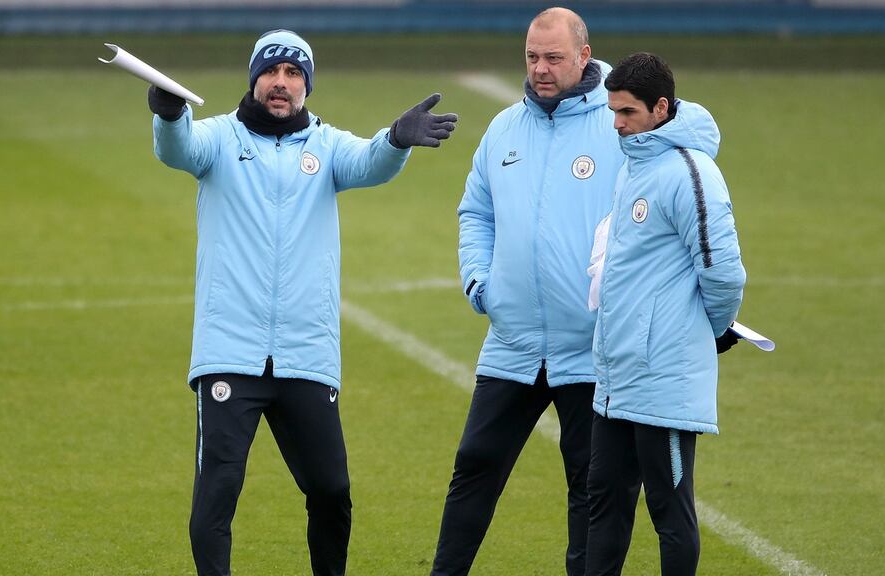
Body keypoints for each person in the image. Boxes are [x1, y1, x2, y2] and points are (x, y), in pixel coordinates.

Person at [148, 29, 458, 576]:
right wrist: (170, 115)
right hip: (230, 352)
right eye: (273, 72)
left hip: (305, 354)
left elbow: (369, 163)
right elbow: (178, 150)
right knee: (217, 493)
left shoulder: (326, 145)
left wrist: (396, 141)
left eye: (295, 75)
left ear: (307, 87)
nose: (282, 83)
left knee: (331, 490)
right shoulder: (219, 138)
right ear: (255, 79)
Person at [430, 8, 624, 575]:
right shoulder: (503, 129)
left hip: (589, 346)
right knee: (474, 467)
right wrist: (478, 281)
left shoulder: (618, 124)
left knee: (589, 483)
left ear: (584, 56)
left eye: (554, 58)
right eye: (533, 57)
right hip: (512, 340)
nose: (541, 69)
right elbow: (476, 211)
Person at [585, 52, 746, 576]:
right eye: (612, 111)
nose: (617, 124)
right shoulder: (637, 164)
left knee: (669, 513)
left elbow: (723, 273)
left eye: (627, 112)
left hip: (664, 378)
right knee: (604, 505)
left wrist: (714, 328)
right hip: (616, 376)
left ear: (661, 108)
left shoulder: (692, 172)